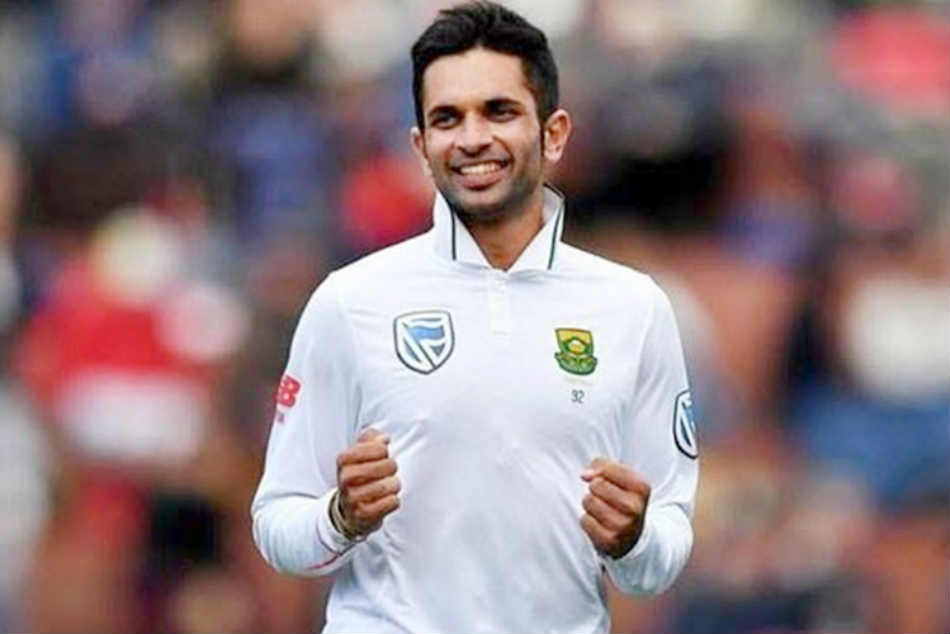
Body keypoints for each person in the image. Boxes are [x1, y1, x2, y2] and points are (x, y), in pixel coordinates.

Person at [251, 3, 699, 632]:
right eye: (447, 118)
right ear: (420, 147)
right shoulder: (349, 301)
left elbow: (664, 549)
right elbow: (277, 524)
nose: (471, 139)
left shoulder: (634, 307)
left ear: (554, 134)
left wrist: (635, 538)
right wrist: (339, 518)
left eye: (499, 111)